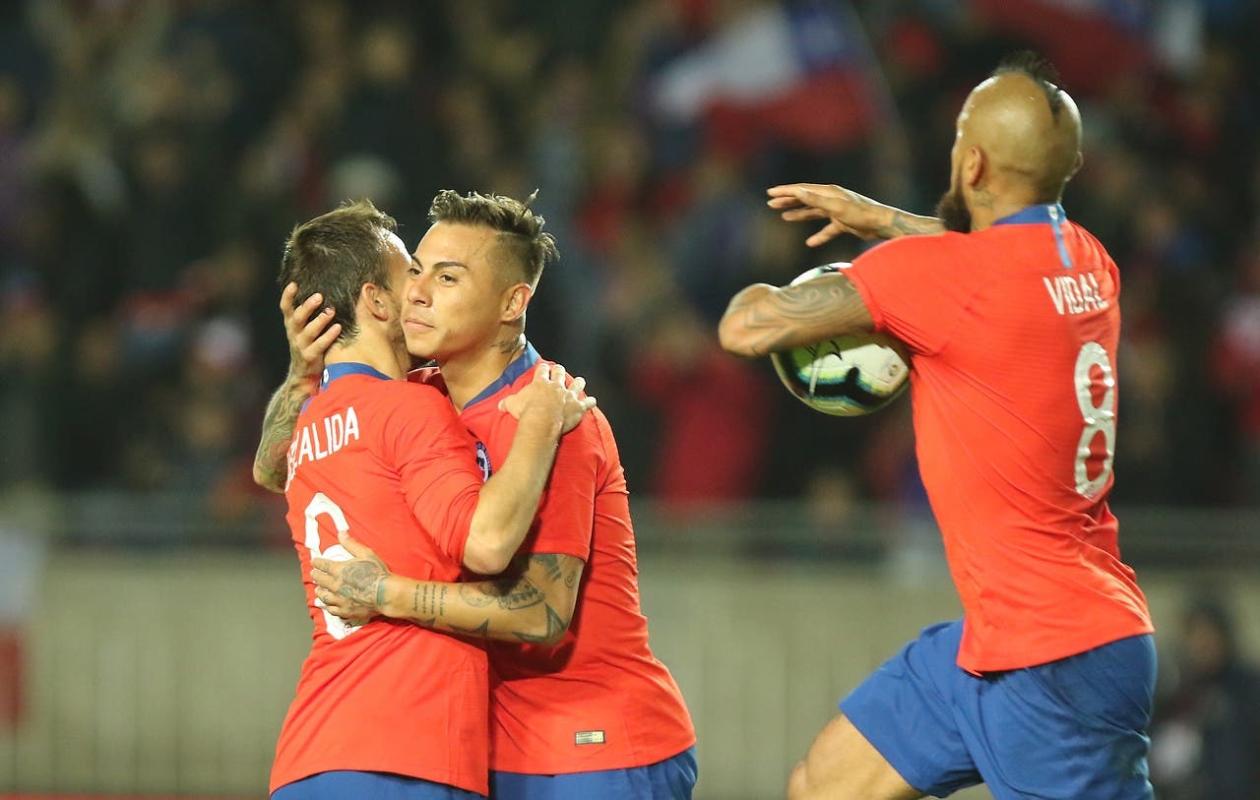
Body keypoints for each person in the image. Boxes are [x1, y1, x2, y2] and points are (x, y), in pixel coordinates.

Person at [718, 52, 1155, 799]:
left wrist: (777, 270)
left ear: (972, 163)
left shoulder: (935, 277)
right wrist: (886, 223)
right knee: (822, 787)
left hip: (1055, 665)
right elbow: (987, 258)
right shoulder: (1089, 262)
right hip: (1007, 640)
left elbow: (748, 327)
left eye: (960, 139)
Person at [256, 190, 697, 799]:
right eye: (416, 271)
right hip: (482, 751)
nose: (417, 293)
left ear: (513, 302)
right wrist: (303, 373)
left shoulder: (552, 414)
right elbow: (277, 468)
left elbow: (541, 613)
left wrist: (385, 593)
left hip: (590, 746)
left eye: (447, 277)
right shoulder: (417, 398)